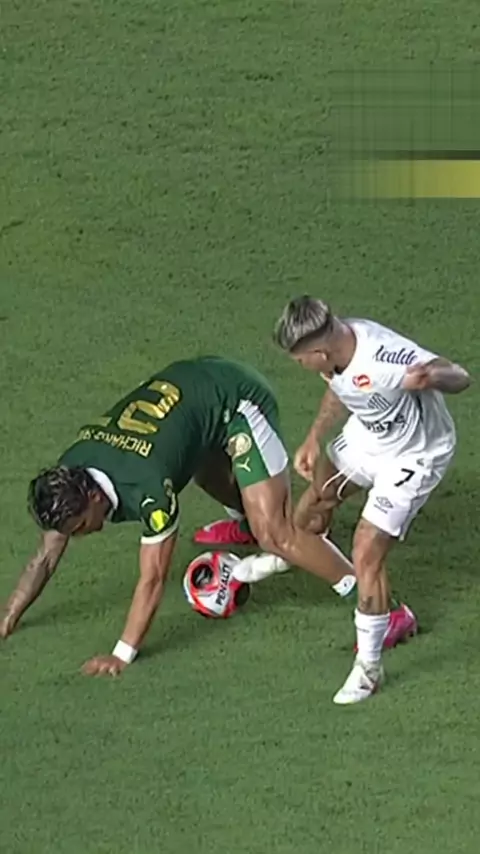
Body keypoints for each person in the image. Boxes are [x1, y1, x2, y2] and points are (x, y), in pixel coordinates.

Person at [0, 356, 357, 676]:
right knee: (200, 467)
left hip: (237, 397)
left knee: (275, 535)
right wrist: (9, 613)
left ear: (93, 496)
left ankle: (367, 598)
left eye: (79, 527)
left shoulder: (148, 489)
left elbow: (153, 578)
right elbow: (44, 557)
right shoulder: (69, 475)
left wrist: (121, 655)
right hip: (192, 392)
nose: (79, 535)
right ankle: (245, 523)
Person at [269, 295, 470, 704]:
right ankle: (288, 556)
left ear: (318, 352)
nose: (301, 365)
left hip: (416, 454)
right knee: (318, 498)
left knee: (365, 550)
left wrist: (430, 376)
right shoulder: (338, 349)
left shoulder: (385, 358)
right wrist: (314, 436)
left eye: (300, 359)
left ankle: (369, 668)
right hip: (372, 435)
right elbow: (342, 388)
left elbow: (461, 377)